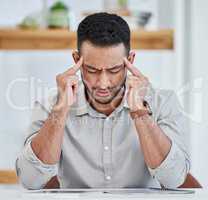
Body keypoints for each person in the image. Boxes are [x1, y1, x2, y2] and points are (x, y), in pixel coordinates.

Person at [16, 12, 190, 189]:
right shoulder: (50, 106)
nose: (103, 84)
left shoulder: (164, 102)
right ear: (77, 60)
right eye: (92, 70)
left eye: (114, 70)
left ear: (130, 61)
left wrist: (139, 111)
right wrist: (60, 110)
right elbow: (31, 180)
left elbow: (173, 179)